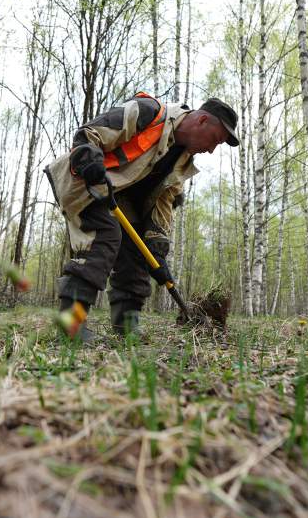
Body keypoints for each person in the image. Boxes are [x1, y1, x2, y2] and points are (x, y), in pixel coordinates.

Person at [45, 93, 239, 340]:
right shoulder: (149, 112)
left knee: (138, 251)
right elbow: (89, 133)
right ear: (201, 121)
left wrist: (157, 247)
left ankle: (127, 326)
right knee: (105, 236)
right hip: (86, 179)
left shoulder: (182, 160)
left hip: (120, 197)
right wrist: (89, 161)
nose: (211, 150)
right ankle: (70, 324)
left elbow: (164, 203)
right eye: (215, 140)